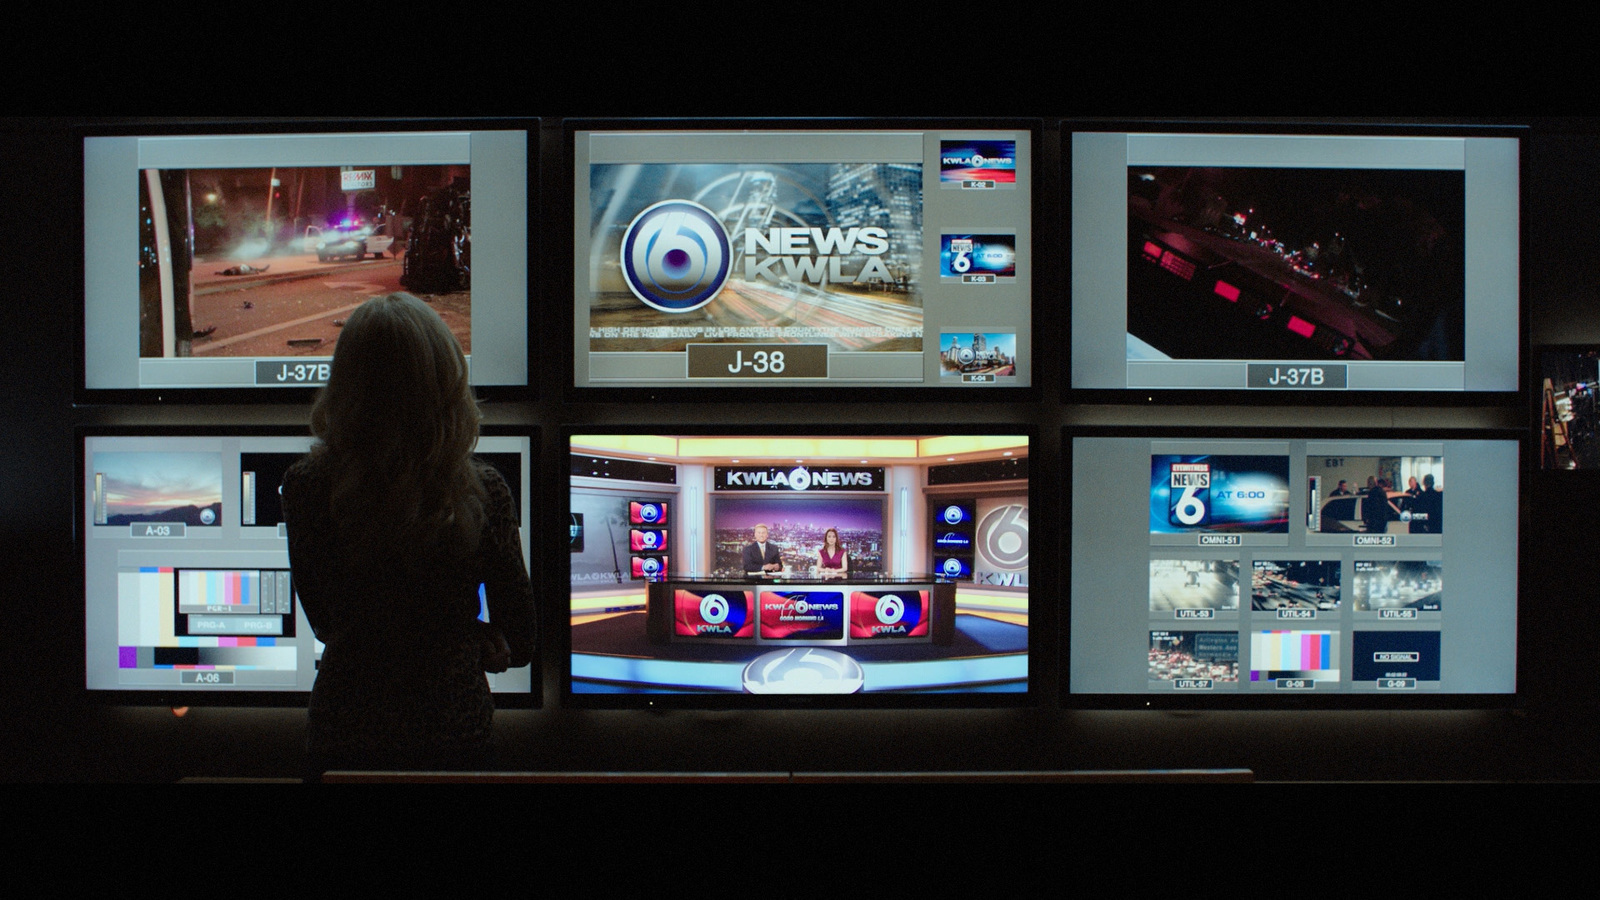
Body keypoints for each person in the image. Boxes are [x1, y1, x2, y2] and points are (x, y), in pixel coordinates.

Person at [281, 292, 535, 775]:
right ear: (447, 382)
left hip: (345, 727)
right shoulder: (484, 491)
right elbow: (521, 640)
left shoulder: (305, 487)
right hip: (452, 727)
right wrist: (470, 637)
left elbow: (326, 621)